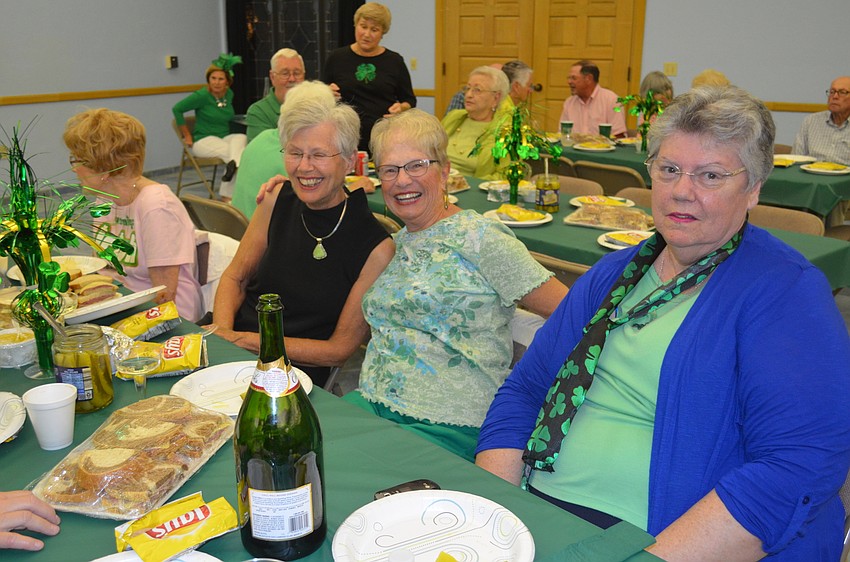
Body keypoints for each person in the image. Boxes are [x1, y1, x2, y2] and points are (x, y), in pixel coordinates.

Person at [476, 86, 850, 560]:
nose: (681, 190)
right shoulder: (615, 273)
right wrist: (494, 517)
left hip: (658, 538)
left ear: (753, 188)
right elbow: (526, 391)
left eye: (711, 175)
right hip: (537, 505)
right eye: (670, 169)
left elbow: (798, 466)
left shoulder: (786, 293)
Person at [345, 109, 568, 462]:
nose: (402, 180)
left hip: (449, 421)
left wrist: (527, 395)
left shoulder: (481, 238)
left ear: (445, 171)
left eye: (417, 165)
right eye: (389, 170)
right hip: (370, 402)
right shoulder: (397, 243)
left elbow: (569, 311)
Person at [212, 81, 394, 387]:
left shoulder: (375, 247)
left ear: (349, 160)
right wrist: (221, 336)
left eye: (319, 155)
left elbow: (339, 350)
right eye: (295, 153)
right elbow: (235, 277)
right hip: (232, 347)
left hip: (292, 373)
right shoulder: (275, 199)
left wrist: (243, 341)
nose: (304, 167)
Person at [64, 108, 203, 321]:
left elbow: (164, 296)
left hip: (165, 317)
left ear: (104, 167)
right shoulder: (105, 199)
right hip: (121, 304)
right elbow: (102, 269)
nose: (74, 169)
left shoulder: (156, 206)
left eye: (78, 160)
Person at [322, 2, 416, 152]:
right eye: (363, 26)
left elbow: (410, 100)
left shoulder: (394, 61)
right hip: (344, 136)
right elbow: (322, 94)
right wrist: (326, 92)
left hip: (382, 136)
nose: (367, 34)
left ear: (383, 33)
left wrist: (401, 108)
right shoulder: (336, 58)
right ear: (355, 25)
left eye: (374, 29)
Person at [172, 53, 247, 202]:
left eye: (220, 79)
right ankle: (229, 195)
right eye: (213, 78)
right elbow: (177, 109)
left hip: (223, 137)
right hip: (203, 141)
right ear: (208, 79)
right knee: (235, 154)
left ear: (227, 82)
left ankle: (227, 192)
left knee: (241, 138)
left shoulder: (229, 94)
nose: (216, 82)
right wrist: (186, 134)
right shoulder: (202, 95)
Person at [442, 66, 511, 179]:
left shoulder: (504, 132)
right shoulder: (454, 117)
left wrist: (466, 185)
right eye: (467, 88)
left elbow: (504, 175)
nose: (468, 94)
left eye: (477, 90)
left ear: (496, 98)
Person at [245, 48, 306, 143]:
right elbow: (263, 151)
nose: (292, 79)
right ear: (272, 77)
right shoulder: (258, 112)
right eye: (285, 74)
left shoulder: (313, 106)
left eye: (297, 73)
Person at [559, 60, 626, 137]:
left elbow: (618, 136)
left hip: (602, 148)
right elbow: (562, 135)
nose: (569, 82)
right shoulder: (569, 102)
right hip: (572, 148)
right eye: (569, 78)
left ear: (588, 78)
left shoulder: (612, 100)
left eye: (574, 78)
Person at [792, 76, 850, 165]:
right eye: (832, 92)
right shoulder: (811, 121)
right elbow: (796, 158)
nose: (835, 96)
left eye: (842, 92)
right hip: (812, 176)